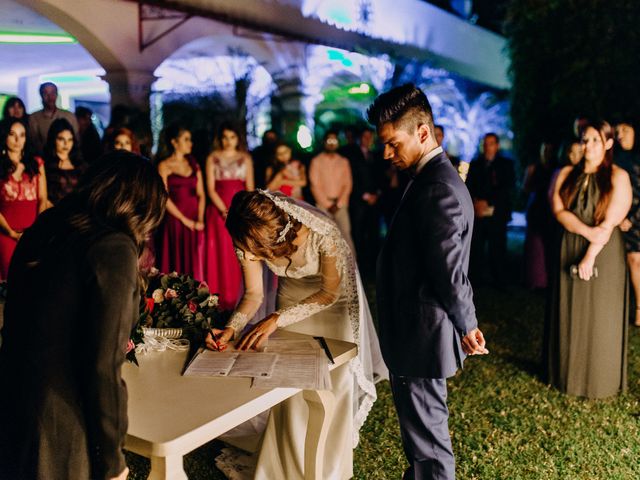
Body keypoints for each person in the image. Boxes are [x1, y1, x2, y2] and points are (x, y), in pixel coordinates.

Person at [0, 151, 167, 480]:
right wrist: (112, 461)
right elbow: (103, 365)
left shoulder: (46, 227)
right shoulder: (113, 248)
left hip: (13, 394)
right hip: (62, 415)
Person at [208, 189, 386, 480]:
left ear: (275, 236)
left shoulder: (322, 233)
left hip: (333, 306)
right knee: (287, 384)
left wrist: (277, 320)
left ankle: (329, 465)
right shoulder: (246, 234)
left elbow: (329, 292)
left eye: (255, 250)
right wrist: (231, 328)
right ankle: (283, 463)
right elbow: (253, 295)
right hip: (290, 301)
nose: (249, 255)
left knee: (331, 383)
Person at [368, 83, 487, 480]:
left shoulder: (438, 187)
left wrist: (467, 325)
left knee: (430, 447)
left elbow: (449, 273)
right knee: (422, 441)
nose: (387, 153)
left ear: (422, 133)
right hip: (415, 330)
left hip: (421, 333)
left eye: (392, 143)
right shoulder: (428, 177)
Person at [547, 120, 631, 398]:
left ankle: (600, 380)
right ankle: (565, 376)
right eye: (585, 139)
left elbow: (610, 222)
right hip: (570, 243)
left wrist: (590, 255)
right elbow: (558, 210)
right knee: (569, 309)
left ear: (608, 143)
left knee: (600, 314)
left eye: (595, 140)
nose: (588, 145)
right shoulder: (565, 173)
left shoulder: (619, 176)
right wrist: (586, 231)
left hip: (604, 253)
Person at [204, 122, 254, 309]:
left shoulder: (245, 158)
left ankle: (236, 297)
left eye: (232, 137)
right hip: (218, 212)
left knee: (237, 253)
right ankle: (217, 298)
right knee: (220, 252)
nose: (228, 141)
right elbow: (210, 189)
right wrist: (224, 210)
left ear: (238, 139)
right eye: (225, 137)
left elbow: (249, 188)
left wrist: (244, 212)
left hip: (239, 209)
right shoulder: (212, 158)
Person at [156, 124, 205, 280]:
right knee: (176, 258)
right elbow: (164, 197)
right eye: (186, 139)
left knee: (194, 259)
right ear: (174, 142)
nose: (190, 143)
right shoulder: (164, 165)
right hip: (175, 219)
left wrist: (200, 219)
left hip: (194, 216)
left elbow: (201, 194)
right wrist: (185, 220)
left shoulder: (193, 163)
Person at [466, 132, 516, 286]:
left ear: (497, 146)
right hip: (479, 211)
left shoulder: (506, 164)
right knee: (476, 248)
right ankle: (475, 279)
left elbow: (508, 187)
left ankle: (500, 279)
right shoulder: (475, 164)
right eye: (486, 144)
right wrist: (475, 202)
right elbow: (469, 185)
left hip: (497, 212)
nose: (488, 147)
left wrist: (488, 201)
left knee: (498, 248)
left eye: (491, 143)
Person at [0, 119, 48, 279]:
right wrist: (11, 233)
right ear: (4, 136)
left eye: (22, 135)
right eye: (12, 134)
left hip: (32, 231)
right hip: (5, 232)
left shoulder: (36, 163)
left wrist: (37, 228)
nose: (17, 140)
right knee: (8, 280)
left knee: (32, 280)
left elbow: (42, 198)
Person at [339, 127, 383, 275]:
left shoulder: (376, 155)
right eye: (365, 136)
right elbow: (351, 178)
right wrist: (364, 195)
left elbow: (379, 176)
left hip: (375, 201)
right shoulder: (351, 155)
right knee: (358, 233)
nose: (368, 139)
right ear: (360, 138)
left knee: (373, 233)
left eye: (370, 137)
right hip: (358, 201)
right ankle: (359, 267)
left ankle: (372, 267)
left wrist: (376, 194)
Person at [309, 130, 354, 250]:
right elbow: (315, 185)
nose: (332, 143)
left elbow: (347, 183)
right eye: (329, 140)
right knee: (323, 237)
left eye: (334, 140)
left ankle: (351, 267)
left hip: (341, 205)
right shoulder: (316, 161)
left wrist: (338, 204)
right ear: (324, 142)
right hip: (323, 205)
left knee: (346, 236)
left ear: (338, 142)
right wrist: (328, 205)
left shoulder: (343, 161)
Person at [614, 120, 640, 325]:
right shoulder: (616, 158)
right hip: (619, 216)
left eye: (625, 130)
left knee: (635, 262)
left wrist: (631, 217)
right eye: (617, 131)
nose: (620, 134)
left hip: (636, 218)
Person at [523, 142, 556, 289]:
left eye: (549, 149)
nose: (546, 152)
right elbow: (526, 188)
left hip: (550, 210)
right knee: (535, 246)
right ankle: (535, 280)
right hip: (536, 209)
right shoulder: (534, 168)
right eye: (544, 149)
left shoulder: (556, 169)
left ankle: (547, 279)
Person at [28, 82, 79, 155]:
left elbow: (77, 141)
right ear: (41, 95)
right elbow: (34, 143)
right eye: (46, 93)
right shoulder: (34, 118)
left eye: (53, 93)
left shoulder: (69, 116)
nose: (50, 97)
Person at [44, 118, 86, 206]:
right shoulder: (45, 164)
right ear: (53, 139)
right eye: (61, 139)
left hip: (77, 212)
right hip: (53, 212)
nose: (66, 144)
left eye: (70, 139)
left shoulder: (79, 163)